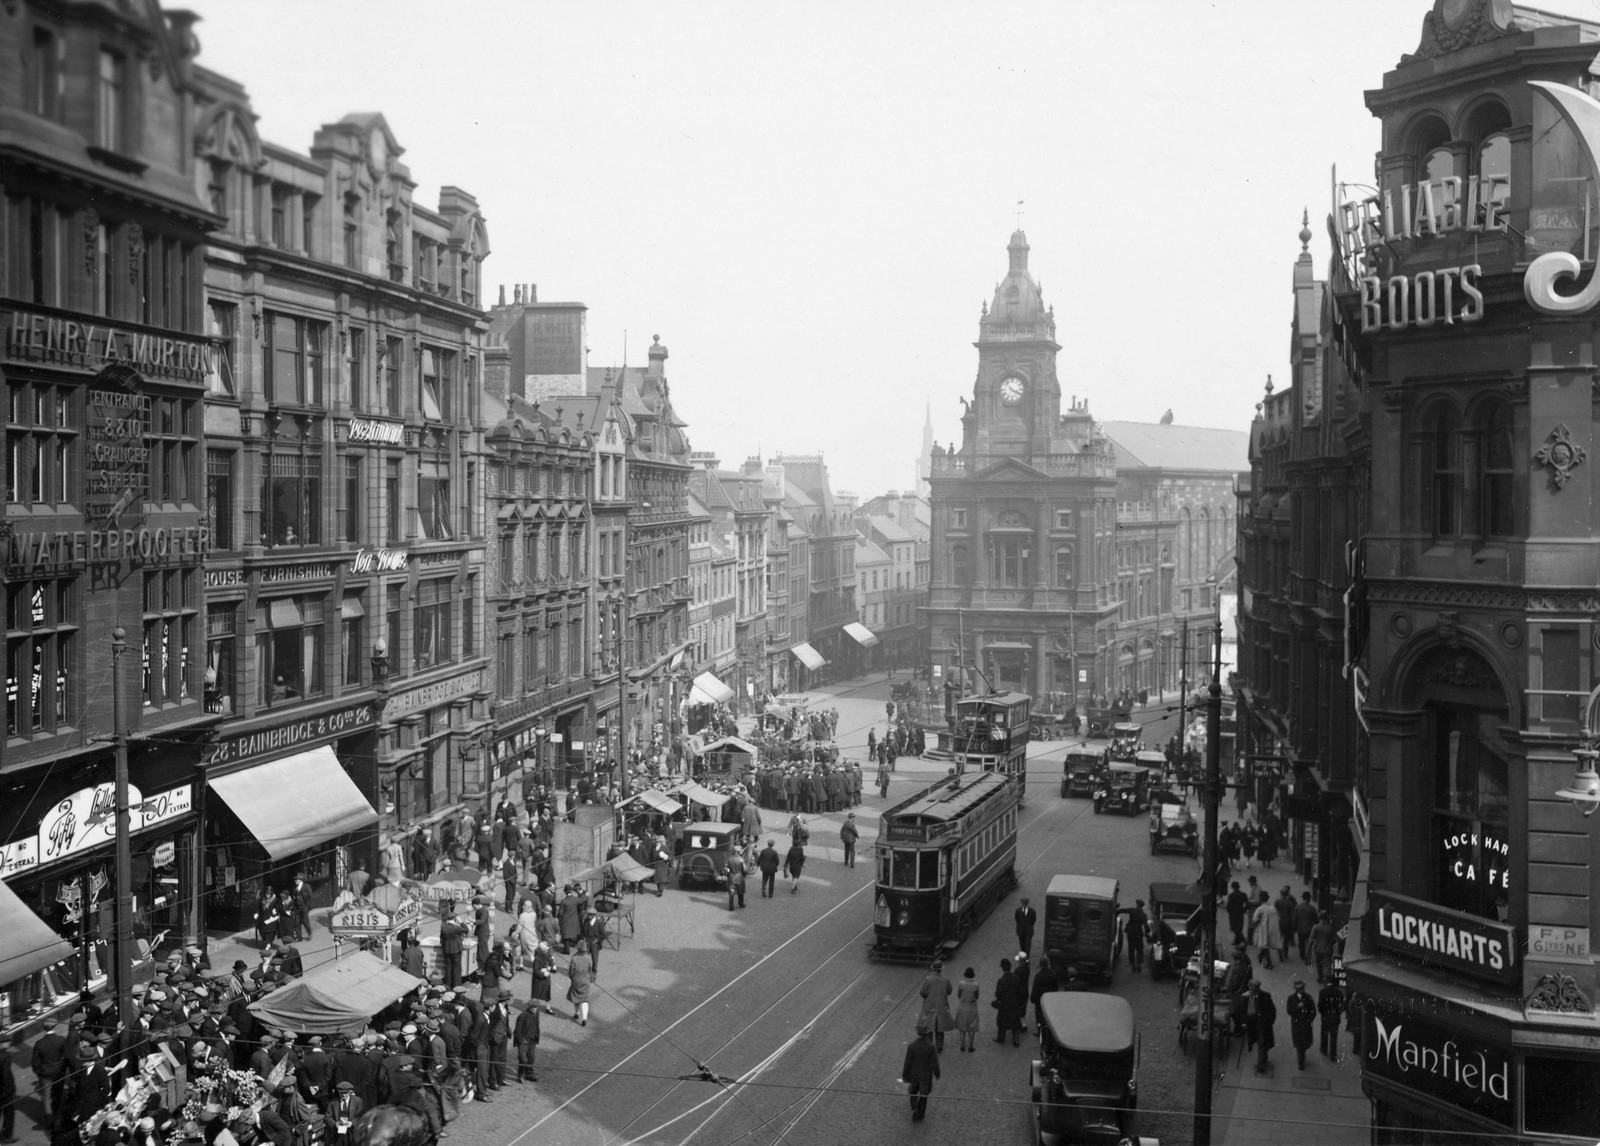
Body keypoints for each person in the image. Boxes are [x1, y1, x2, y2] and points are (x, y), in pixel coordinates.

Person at [900, 1025, 941, 1122]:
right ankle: (920, 1112)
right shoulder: (930, 1046)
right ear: (927, 1034)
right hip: (925, 1075)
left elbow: (907, 1062)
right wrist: (937, 1073)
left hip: (914, 1074)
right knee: (924, 1094)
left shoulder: (912, 1046)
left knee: (913, 1092)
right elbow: (934, 1062)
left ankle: (914, 1109)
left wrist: (905, 1075)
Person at [917, 961, 956, 1053]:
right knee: (940, 1028)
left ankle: (930, 1045)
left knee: (930, 1027)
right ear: (941, 970)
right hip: (942, 1007)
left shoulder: (928, 979)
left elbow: (922, 993)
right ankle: (939, 1046)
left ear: (933, 969)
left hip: (930, 1007)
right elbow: (949, 991)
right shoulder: (945, 980)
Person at [992, 958, 1027, 1046]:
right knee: (1015, 1023)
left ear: (1002, 968)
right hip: (1014, 1003)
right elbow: (1020, 991)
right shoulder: (1016, 978)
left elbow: (997, 994)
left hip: (1005, 1004)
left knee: (1002, 1022)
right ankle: (1016, 1040)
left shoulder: (1001, 981)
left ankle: (1001, 1038)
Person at [1286, 977, 1317, 1070]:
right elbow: (1289, 1011)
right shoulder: (1291, 998)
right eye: (1300, 988)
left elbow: (1313, 1011)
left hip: (1306, 1025)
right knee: (1299, 1045)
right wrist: (1297, 1007)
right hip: (1297, 1025)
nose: (1302, 990)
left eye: (1302, 988)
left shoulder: (1308, 997)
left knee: (1306, 1043)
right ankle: (1300, 1062)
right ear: (1296, 989)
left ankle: (1302, 1055)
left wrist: (1309, 1020)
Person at [1247, 980, 1277, 1075]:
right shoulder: (1247, 997)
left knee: (1262, 1043)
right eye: (1251, 988)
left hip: (1263, 1024)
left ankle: (1260, 1065)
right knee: (1259, 1042)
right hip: (1252, 1024)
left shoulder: (1265, 996)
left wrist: (1269, 1022)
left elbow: (1272, 1011)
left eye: (1254, 988)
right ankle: (1264, 1058)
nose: (1252, 990)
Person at [953, 967, 981, 1052]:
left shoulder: (961, 983)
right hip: (972, 1008)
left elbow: (959, 995)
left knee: (962, 1028)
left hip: (962, 1007)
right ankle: (970, 1046)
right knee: (972, 1028)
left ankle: (962, 1045)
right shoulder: (976, 985)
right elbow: (977, 996)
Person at [1318, 979, 1346, 1062]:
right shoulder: (1339, 992)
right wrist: (1339, 1011)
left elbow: (1320, 1005)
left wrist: (1322, 1012)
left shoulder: (1322, 992)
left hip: (1326, 1016)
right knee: (1334, 1037)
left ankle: (1324, 1050)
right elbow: (1344, 1003)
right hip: (1335, 1016)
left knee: (1324, 1034)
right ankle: (1332, 1055)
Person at [439, 905, 466, 988]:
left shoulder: (443, 928)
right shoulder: (457, 928)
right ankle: (457, 986)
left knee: (448, 968)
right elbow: (466, 930)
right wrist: (461, 922)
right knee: (457, 969)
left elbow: (441, 939)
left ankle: (448, 985)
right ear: (455, 919)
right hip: (456, 950)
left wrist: (444, 946)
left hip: (447, 950)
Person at [1250, 892, 1279, 970]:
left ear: (1261, 899)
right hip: (1272, 929)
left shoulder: (1260, 909)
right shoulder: (1273, 908)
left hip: (1263, 931)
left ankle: (1269, 963)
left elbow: (1254, 920)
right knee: (1265, 945)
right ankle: (1260, 956)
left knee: (1265, 946)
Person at [514, 999, 541, 1083]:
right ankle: (521, 1075)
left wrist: (536, 1036)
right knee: (523, 1059)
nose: (533, 1009)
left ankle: (529, 1074)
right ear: (529, 1007)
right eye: (532, 1007)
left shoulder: (537, 1014)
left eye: (535, 1007)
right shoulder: (523, 1016)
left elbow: (536, 1026)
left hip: (532, 1040)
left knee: (531, 1058)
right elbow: (517, 1031)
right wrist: (522, 1040)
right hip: (524, 1041)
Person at [568, 946, 594, 1026]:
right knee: (584, 999)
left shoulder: (574, 958)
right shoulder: (588, 958)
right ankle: (584, 1018)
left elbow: (571, 971)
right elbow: (590, 970)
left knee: (576, 997)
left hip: (576, 980)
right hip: (585, 981)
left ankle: (577, 1013)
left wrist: (572, 978)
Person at [1308, 915, 1337, 983]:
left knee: (1319, 965)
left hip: (1318, 949)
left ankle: (1320, 978)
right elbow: (1335, 938)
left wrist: (1308, 950)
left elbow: (1311, 939)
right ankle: (1327, 980)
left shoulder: (1316, 927)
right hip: (1328, 950)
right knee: (1327, 965)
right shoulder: (1330, 927)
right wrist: (1331, 944)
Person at [1294, 892, 1320, 964]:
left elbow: (1295, 919)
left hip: (1300, 929)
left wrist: (1294, 928)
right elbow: (1316, 920)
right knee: (1308, 944)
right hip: (1309, 929)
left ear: (1303, 898)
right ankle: (1307, 957)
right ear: (1309, 899)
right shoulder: (1312, 908)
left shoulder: (1297, 907)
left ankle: (1302, 955)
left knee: (1301, 942)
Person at [1125, 900, 1149, 972]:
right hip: (1138, 934)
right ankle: (1138, 965)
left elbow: (1122, 910)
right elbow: (1145, 926)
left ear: (1137, 905)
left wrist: (1115, 911)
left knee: (1131, 949)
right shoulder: (1143, 915)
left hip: (1130, 933)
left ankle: (1133, 965)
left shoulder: (1132, 910)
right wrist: (1147, 933)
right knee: (1139, 949)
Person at [1225, 881, 1249, 948]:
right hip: (1240, 913)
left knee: (1234, 928)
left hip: (1233, 913)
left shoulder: (1231, 895)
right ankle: (1237, 940)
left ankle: (1243, 940)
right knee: (1239, 927)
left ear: (1233, 887)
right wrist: (1244, 910)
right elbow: (1248, 903)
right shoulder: (1243, 894)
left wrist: (1230, 911)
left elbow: (1228, 906)